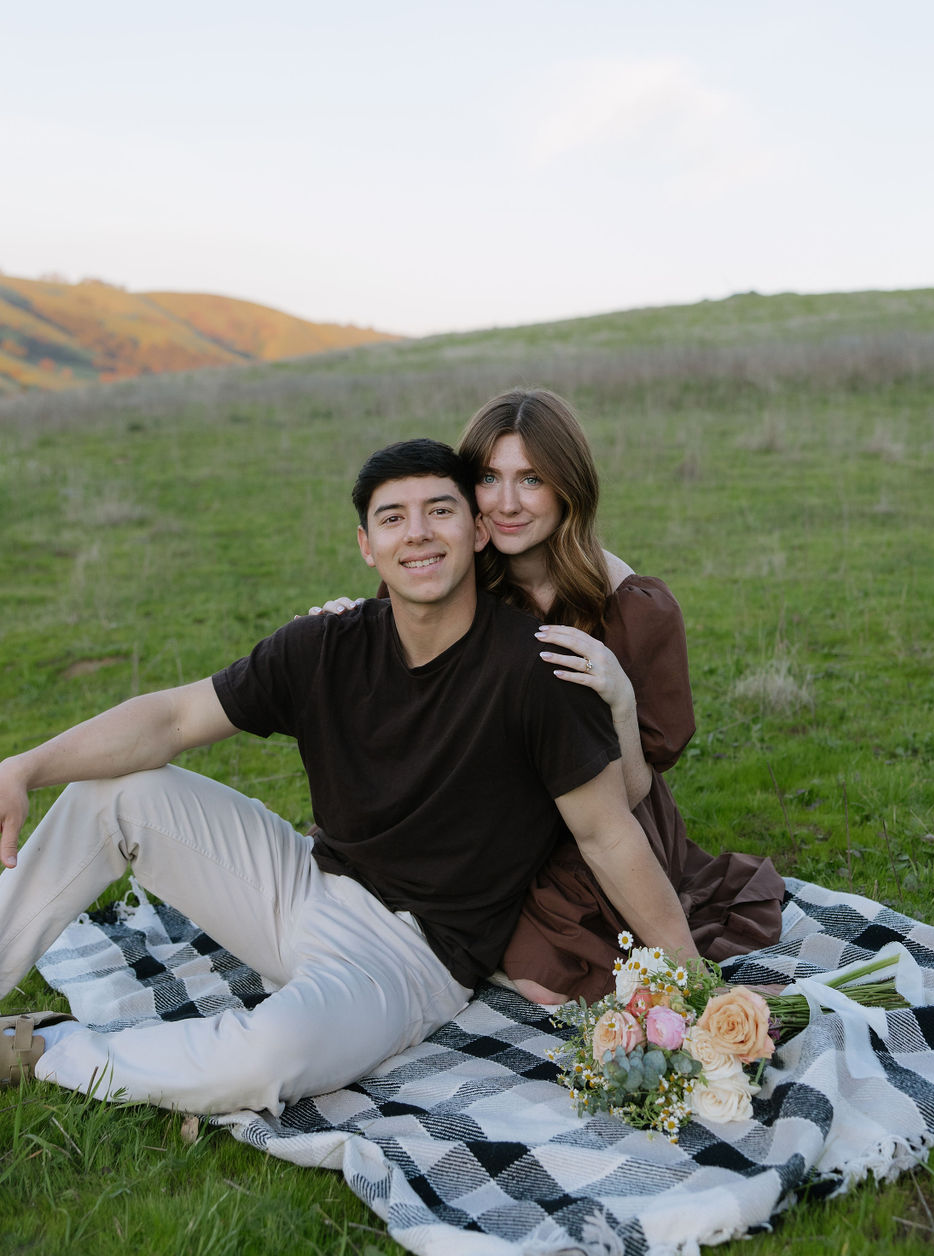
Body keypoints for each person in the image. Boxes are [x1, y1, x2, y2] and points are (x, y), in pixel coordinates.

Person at [0, 439, 702, 1113]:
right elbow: (173, 720)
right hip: (301, 883)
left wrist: (693, 985)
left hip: (407, 958)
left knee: (267, 1060)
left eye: (440, 510)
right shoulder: (326, 643)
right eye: (393, 518)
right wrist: (24, 768)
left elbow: (610, 837)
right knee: (116, 790)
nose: (418, 534)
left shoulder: (538, 671)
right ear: (368, 545)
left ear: (478, 532)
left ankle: (51, 1050)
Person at [316, 393, 784, 1005]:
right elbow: (408, 701)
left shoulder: (635, 611)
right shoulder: (451, 573)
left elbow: (635, 794)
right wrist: (347, 635)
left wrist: (618, 700)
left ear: (568, 487)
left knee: (551, 974)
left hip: (597, 819)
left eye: (531, 479)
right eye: (489, 478)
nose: (507, 503)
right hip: (485, 816)